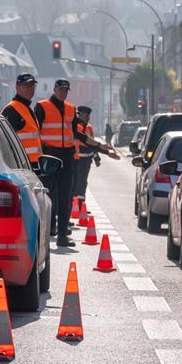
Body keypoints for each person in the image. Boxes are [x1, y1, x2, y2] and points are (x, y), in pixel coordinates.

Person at [35, 79, 118, 247]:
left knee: (66, 196)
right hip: (49, 155)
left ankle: (62, 235)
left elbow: (78, 135)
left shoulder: (71, 109)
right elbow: (35, 130)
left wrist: (101, 147)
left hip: (67, 156)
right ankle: (47, 230)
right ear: (54, 89)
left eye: (66, 90)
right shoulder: (42, 107)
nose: (63, 92)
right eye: (61, 89)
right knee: (47, 195)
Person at [0, 73, 42, 166]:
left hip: (32, 164)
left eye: (32, 85)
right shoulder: (11, 110)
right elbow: (4, 142)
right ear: (17, 87)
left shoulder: (26, 108)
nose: (30, 89)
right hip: (21, 165)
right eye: (26, 85)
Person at [73, 105, 110, 202]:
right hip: (76, 159)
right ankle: (75, 204)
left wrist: (96, 158)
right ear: (79, 115)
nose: (86, 118)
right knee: (76, 181)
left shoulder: (89, 128)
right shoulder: (75, 126)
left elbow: (92, 143)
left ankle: (80, 203)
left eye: (87, 116)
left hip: (86, 159)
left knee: (83, 181)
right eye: (84, 116)